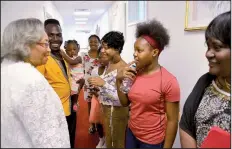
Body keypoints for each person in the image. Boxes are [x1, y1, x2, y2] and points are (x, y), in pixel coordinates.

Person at [1, 18, 70, 148]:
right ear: (25, 45)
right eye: (45, 44)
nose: (49, 50)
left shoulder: (5, 71)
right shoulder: (31, 80)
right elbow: (50, 141)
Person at [116, 19, 180, 148]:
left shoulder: (169, 81)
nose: (134, 54)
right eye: (134, 50)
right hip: (131, 133)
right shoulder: (133, 72)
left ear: (154, 53)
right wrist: (118, 79)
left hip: (152, 141)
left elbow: (173, 121)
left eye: (139, 50)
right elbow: (125, 103)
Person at [179, 11, 231, 148]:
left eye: (217, 47)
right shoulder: (205, 81)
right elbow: (186, 124)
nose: (208, 54)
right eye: (208, 46)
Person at [36, 19, 74, 148]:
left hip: (68, 110)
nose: (56, 39)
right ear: (43, 36)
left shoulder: (62, 55)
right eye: (51, 35)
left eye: (58, 35)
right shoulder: (42, 58)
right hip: (54, 114)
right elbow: (37, 89)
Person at [88, 31, 129, 148]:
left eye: (107, 48)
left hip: (118, 113)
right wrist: (98, 92)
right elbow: (108, 91)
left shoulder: (124, 68)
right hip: (106, 111)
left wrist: (104, 84)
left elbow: (124, 101)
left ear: (117, 48)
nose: (102, 51)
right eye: (103, 47)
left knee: (117, 144)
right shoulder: (109, 63)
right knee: (110, 142)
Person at [88, 46, 109, 148]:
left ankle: (107, 140)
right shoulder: (94, 70)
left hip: (107, 100)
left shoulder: (110, 71)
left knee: (107, 122)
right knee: (98, 122)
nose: (101, 59)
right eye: (99, 57)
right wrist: (93, 90)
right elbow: (92, 84)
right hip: (96, 100)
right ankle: (101, 139)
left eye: (104, 57)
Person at [81, 34, 100, 134]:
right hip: (88, 85)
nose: (93, 43)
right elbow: (80, 68)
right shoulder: (84, 55)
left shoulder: (102, 55)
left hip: (98, 84)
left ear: (99, 43)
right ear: (88, 43)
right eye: (91, 41)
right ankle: (92, 125)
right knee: (89, 105)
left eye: (95, 41)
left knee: (99, 104)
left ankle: (99, 124)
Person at [61, 40, 84, 110]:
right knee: (72, 90)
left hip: (78, 77)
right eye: (69, 50)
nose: (72, 51)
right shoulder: (66, 59)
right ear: (66, 50)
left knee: (76, 89)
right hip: (72, 77)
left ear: (78, 49)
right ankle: (74, 102)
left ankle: (75, 103)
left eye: (74, 49)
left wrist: (63, 54)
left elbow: (72, 62)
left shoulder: (79, 58)